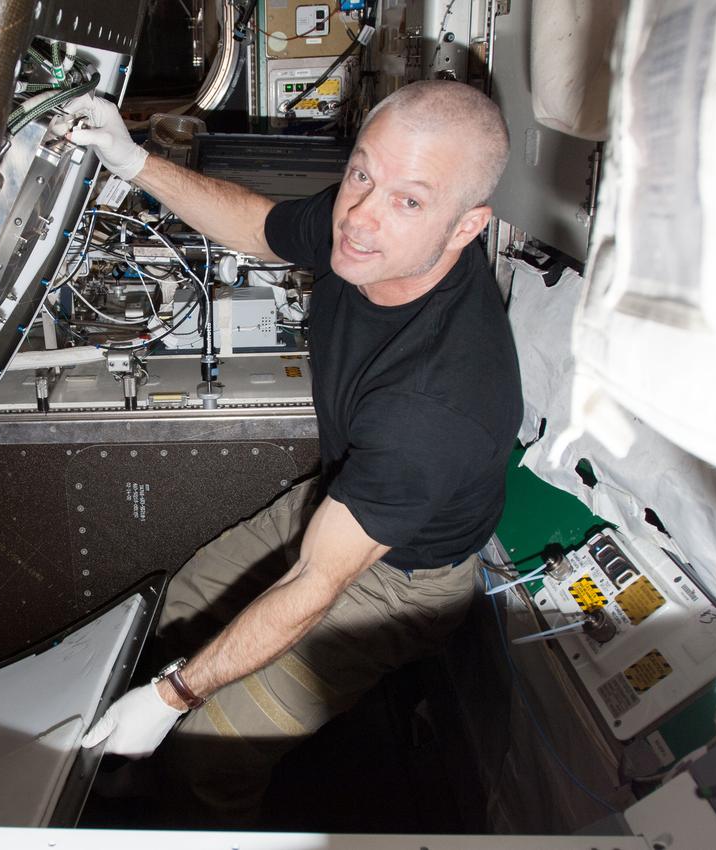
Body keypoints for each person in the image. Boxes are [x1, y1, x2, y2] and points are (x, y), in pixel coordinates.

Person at [62, 80, 522, 824]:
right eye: (362, 173)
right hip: (337, 499)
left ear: (467, 226)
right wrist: (132, 163)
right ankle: (146, 764)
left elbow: (315, 580)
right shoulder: (364, 239)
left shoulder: (439, 405)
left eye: (409, 200)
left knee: (214, 741)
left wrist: (173, 697)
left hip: (400, 578)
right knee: (187, 606)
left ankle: (192, 810)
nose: (362, 219)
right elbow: (258, 226)